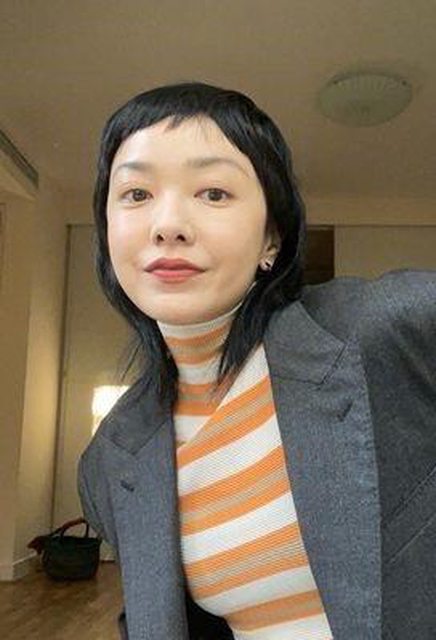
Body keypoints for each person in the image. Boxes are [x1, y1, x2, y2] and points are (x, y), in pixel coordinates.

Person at [78, 82, 436, 640]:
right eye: (136, 193)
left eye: (213, 192)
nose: (167, 224)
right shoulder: (111, 458)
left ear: (272, 235)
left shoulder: (389, 332)